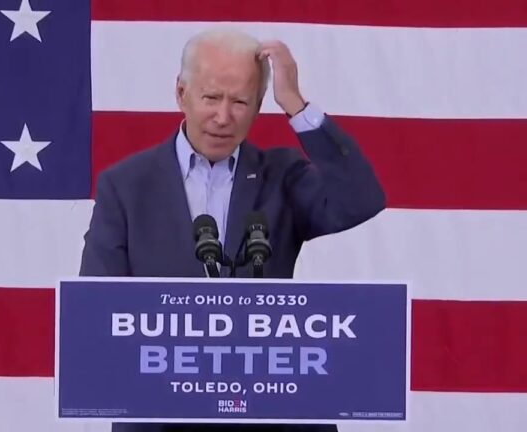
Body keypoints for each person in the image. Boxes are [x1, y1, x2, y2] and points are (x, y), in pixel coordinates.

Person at [79, 28, 386, 432]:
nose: (223, 117)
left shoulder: (282, 176)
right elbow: (97, 309)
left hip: (272, 416)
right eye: (210, 98)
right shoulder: (125, 185)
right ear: (181, 93)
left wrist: (296, 105)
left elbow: (359, 200)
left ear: (259, 106)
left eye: (240, 102)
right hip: (163, 418)